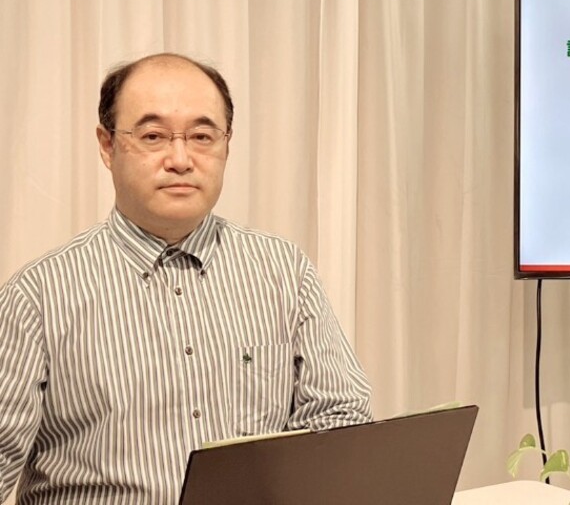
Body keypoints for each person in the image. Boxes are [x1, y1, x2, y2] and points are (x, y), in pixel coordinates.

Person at [0, 53, 372, 504]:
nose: (180, 160)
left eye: (201, 136)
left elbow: (340, 420)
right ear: (107, 145)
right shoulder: (38, 296)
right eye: (153, 136)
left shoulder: (283, 271)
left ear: (226, 145)